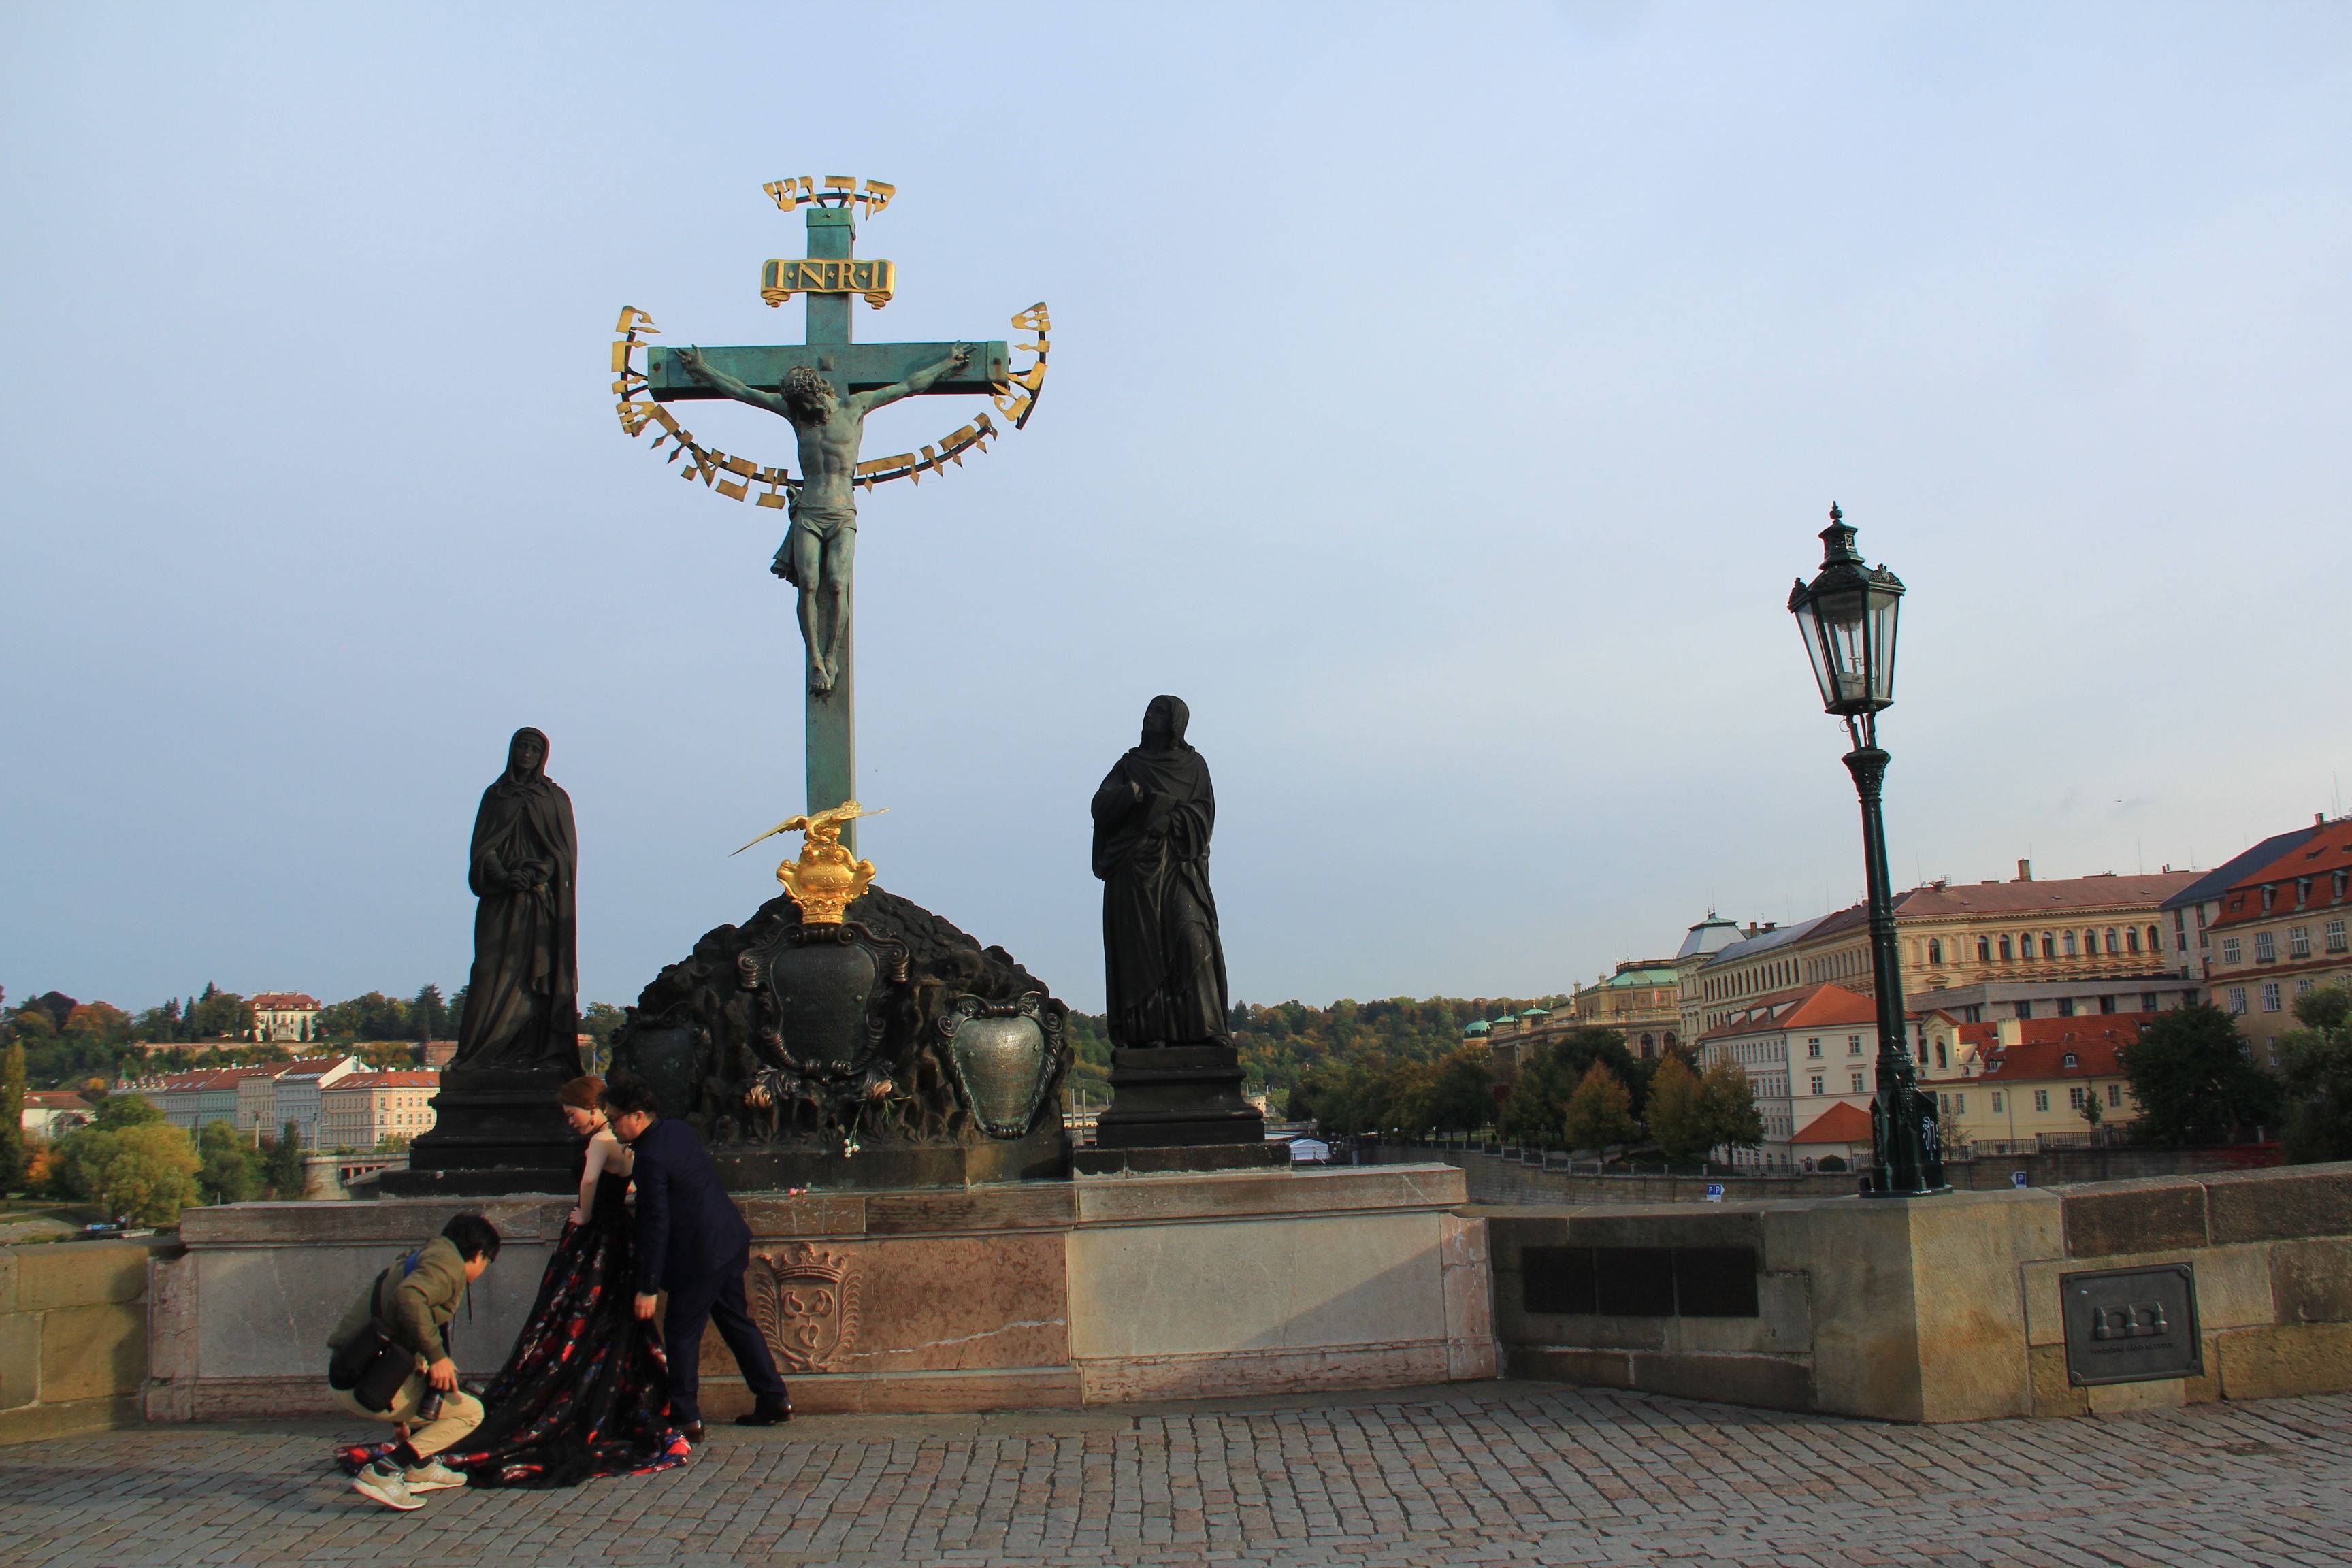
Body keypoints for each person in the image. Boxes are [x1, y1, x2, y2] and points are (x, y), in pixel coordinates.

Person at [337, 1077, 687, 1490]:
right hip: (622, 1244)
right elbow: (631, 1181)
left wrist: (585, 1216)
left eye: (571, 1113)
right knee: (610, 1322)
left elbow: (590, 1182)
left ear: (592, 1108)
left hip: (595, 1240)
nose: (569, 1121)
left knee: (568, 1319)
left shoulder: (598, 1142)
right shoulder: (624, 1146)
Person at [672, 342, 972, 694]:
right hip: (810, 511)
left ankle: (832, 656)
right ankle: (815, 658)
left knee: (837, 583)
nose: (806, 412)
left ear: (819, 393)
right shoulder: (797, 415)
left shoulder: (855, 406)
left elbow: (907, 387)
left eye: (808, 404)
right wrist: (703, 370)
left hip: (842, 511)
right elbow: (743, 392)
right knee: (810, 584)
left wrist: (947, 365)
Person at [602, 1075, 791, 1437]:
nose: (611, 1127)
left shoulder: (649, 1157)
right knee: (737, 1322)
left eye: (614, 1119)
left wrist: (648, 1286)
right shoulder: (676, 1131)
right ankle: (774, 1398)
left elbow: (656, 1224)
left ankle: (686, 1416)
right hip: (726, 1241)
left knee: (682, 1333)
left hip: (698, 1256)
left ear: (637, 1116)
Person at [329, 1213, 500, 1512]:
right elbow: (410, 1298)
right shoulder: (448, 1268)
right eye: (487, 1263)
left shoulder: (422, 1259)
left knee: (437, 1393)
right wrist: (437, 1357)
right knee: (470, 1412)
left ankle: (420, 1467)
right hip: (364, 1381)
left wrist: (402, 1421)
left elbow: (394, 1336)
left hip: (354, 1370)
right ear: (478, 1255)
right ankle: (384, 1472)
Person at [1091, 695, 1230, 1048]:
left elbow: (1204, 813)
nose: (1150, 717)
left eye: (1159, 713)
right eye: (1149, 711)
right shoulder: (1129, 764)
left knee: (1192, 938)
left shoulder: (1194, 765)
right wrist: (1132, 794)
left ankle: (1208, 1029)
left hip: (1180, 866)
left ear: (1175, 723)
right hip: (1134, 871)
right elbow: (1100, 806)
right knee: (1144, 950)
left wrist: (1173, 819)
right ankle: (1151, 1034)